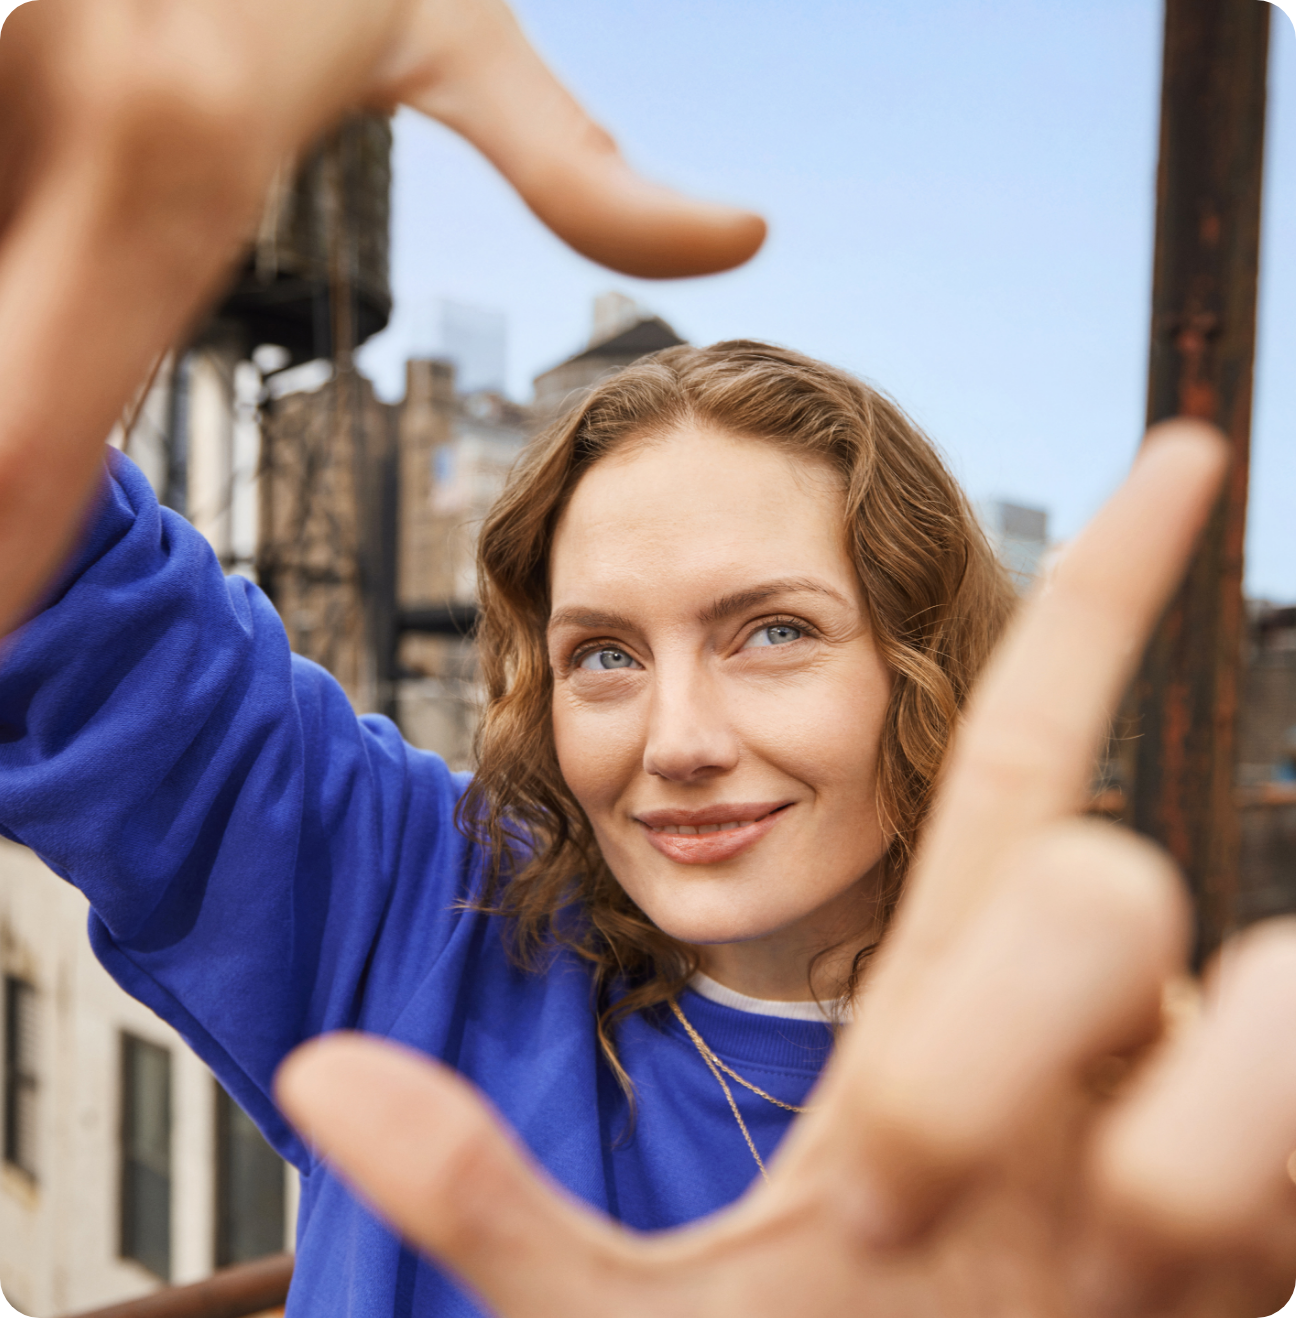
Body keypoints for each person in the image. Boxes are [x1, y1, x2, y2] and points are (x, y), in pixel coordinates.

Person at [2, 4, 1296, 1316]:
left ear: (922, 660)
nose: (677, 739)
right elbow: (52, 578)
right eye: (604, 655)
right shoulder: (412, 910)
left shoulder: (1095, 1166)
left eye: (774, 632)